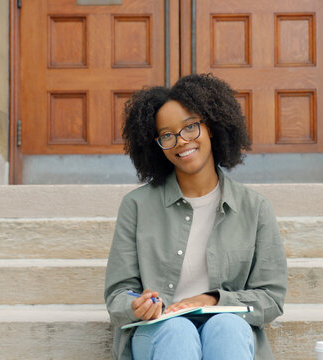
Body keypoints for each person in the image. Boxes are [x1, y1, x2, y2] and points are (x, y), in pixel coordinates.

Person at [104, 74, 287, 360]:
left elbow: (271, 298)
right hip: (159, 331)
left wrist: (213, 300)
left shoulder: (255, 208)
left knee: (226, 326)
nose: (181, 141)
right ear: (157, 145)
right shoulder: (136, 206)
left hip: (229, 331)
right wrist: (136, 305)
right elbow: (118, 294)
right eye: (167, 135)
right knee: (178, 330)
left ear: (211, 127)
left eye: (190, 127)